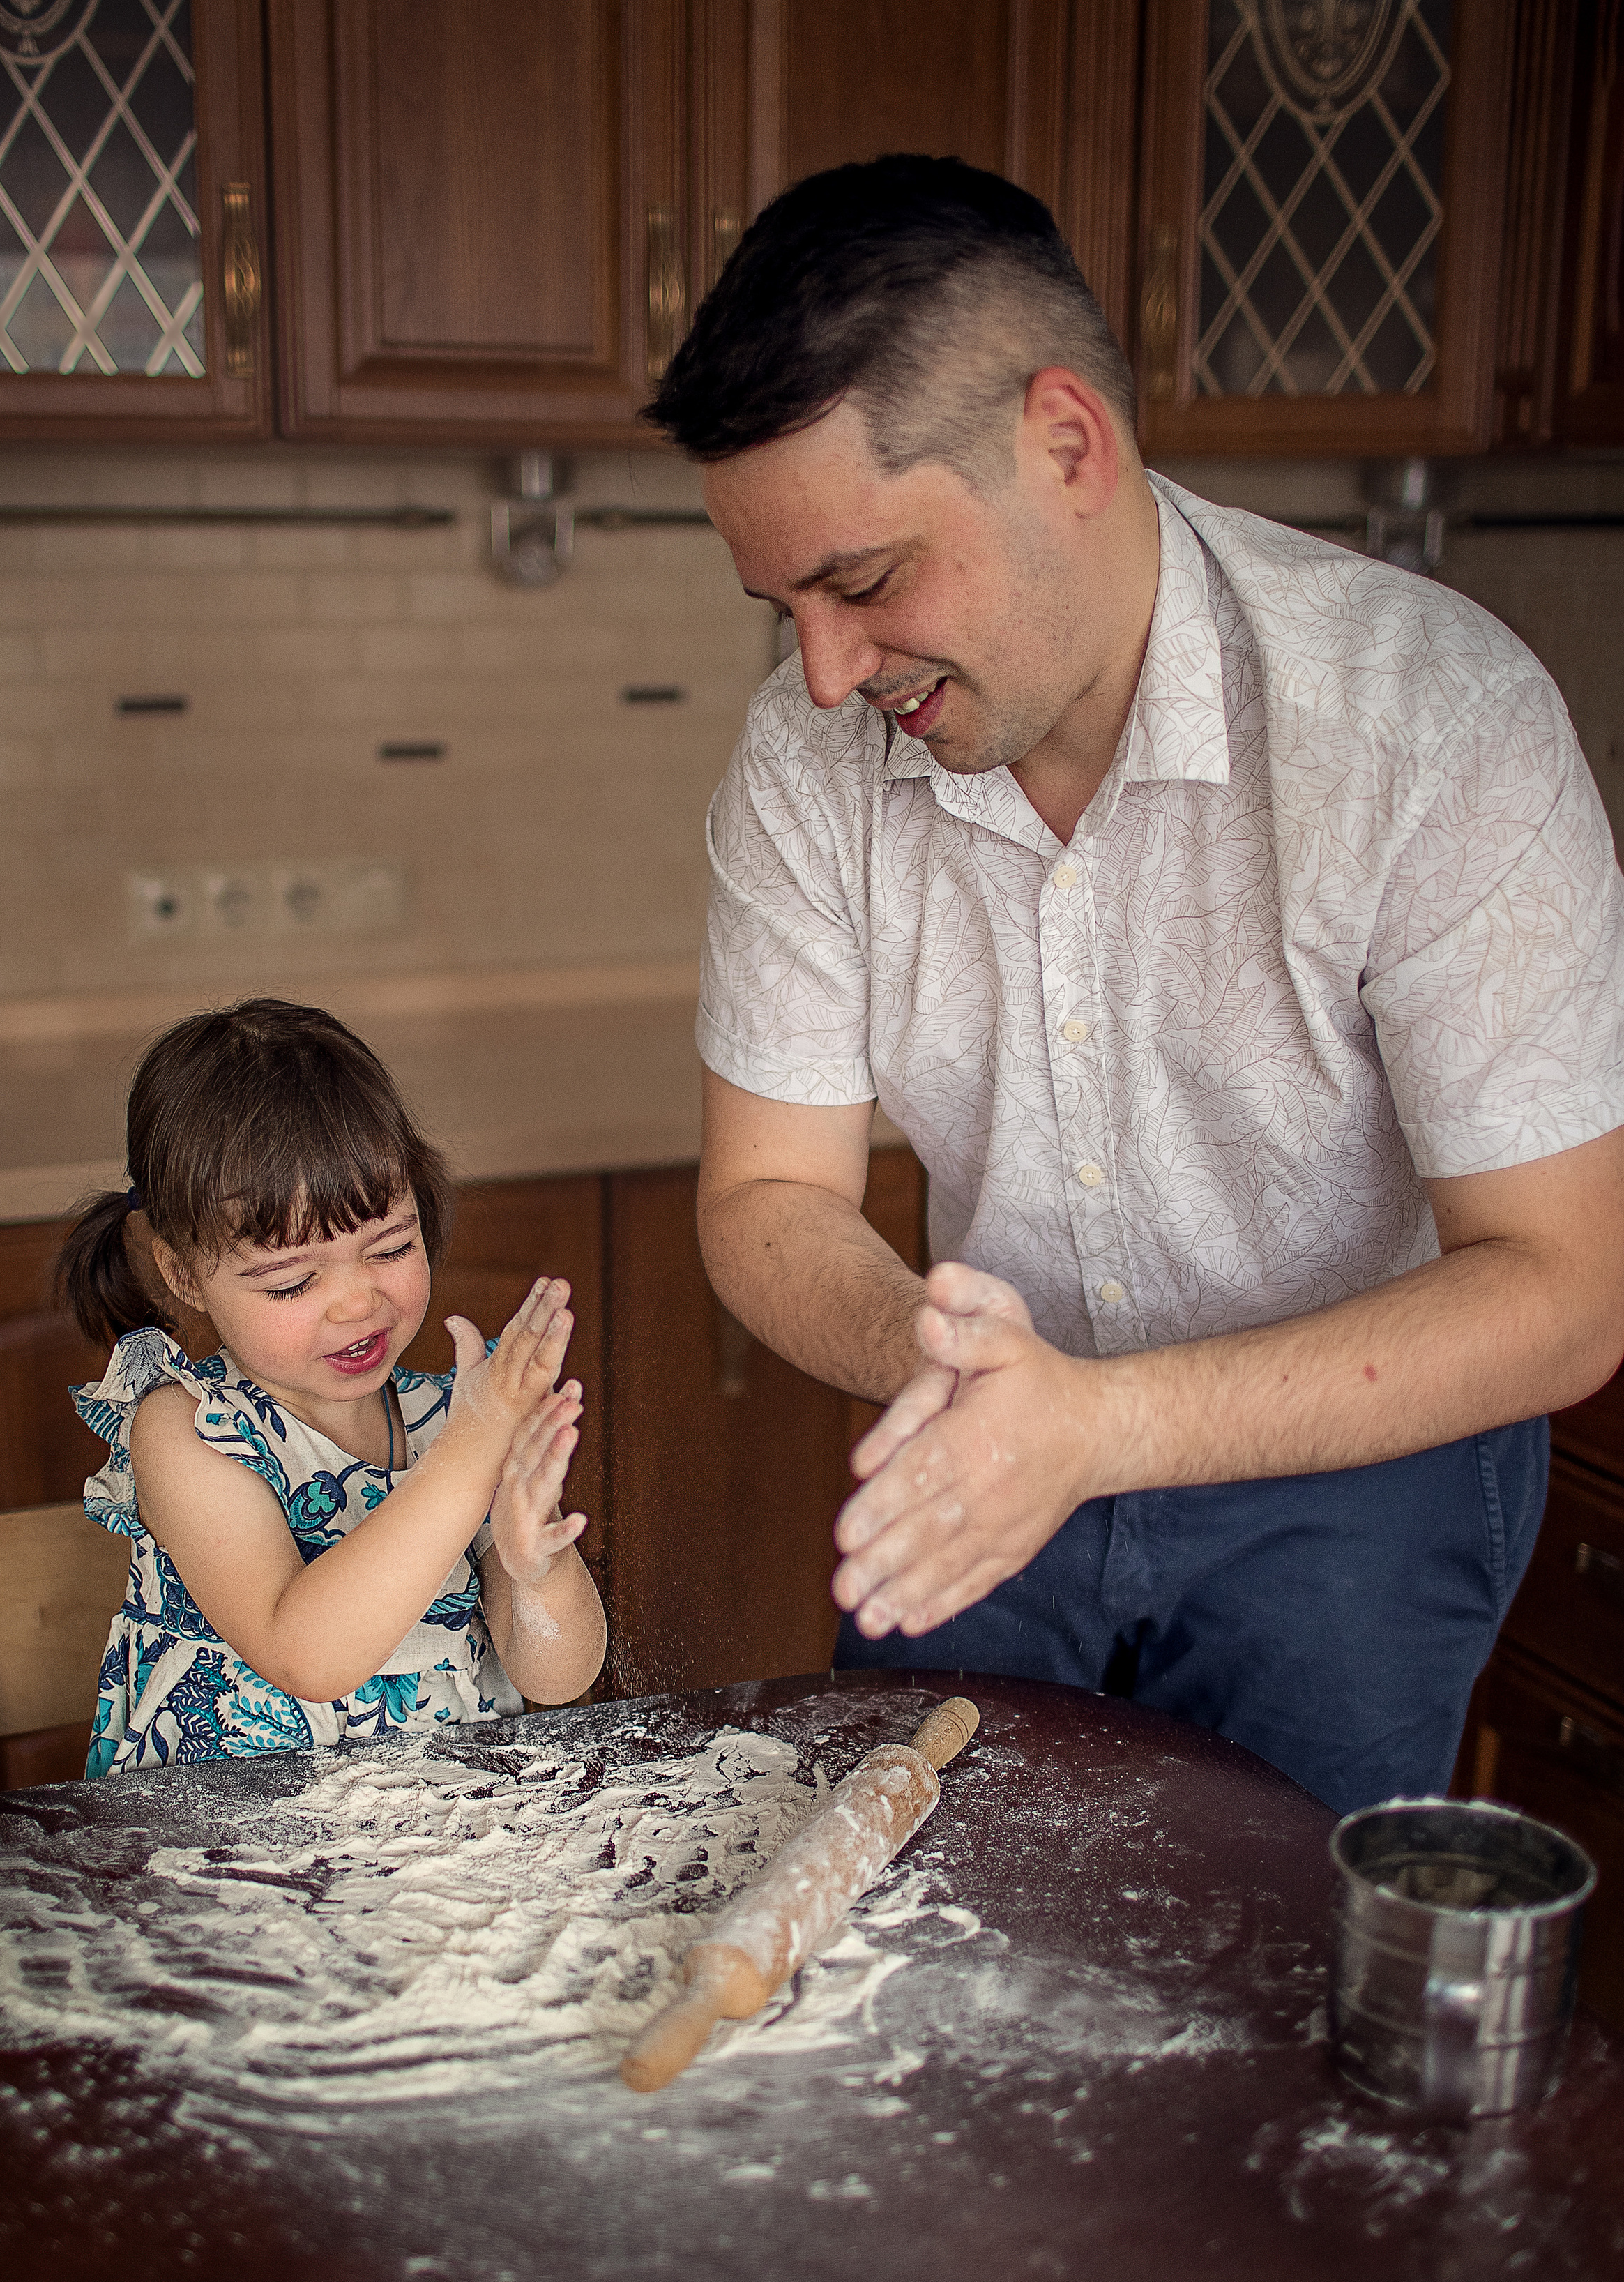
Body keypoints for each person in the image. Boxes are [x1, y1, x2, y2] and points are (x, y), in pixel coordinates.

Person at [646, 154, 1624, 1813]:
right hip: (975, 1429)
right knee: (922, 1951)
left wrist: (1098, 1427)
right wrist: (941, 1354)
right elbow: (761, 1195)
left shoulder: (1429, 721)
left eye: (864, 582)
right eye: (781, 605)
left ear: (1065, 445)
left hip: (1354, 1475)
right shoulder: (803, 765)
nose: (819, 672)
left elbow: (1560, 1287)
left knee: (1259, 2004)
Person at [55, 998, 605, 1777]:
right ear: (185, 1274)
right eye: (290, 1283)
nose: (357, 1302)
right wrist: (472, 1450)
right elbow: (304, 1653)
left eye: (390, 1247)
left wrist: (537, 1569)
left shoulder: (453, 1418)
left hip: (439, 1847)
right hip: (233, 1854)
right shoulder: (185, 1432)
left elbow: (556, 1677)